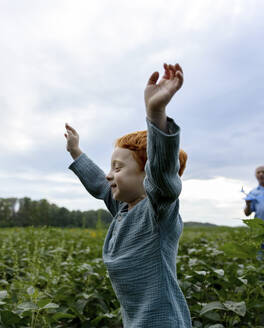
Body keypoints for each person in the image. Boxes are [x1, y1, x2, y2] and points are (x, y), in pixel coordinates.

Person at [64, 63, 191, 327]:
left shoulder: (157, 211)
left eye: (118, 168)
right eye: (111, 167)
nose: (110, 175)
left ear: (147, 175)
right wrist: (76, 151)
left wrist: (156, 112)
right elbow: (100, 184)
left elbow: (162, 174)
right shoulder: (124, 209)